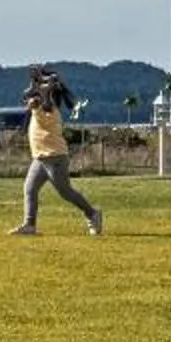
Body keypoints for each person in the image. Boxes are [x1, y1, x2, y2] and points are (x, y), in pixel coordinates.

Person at [10, 66, 103, 237]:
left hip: (55, 157)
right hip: (40, 158)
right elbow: (27, 96)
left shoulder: (50, 108)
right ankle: (29, 225)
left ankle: (92, 214)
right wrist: (35, 84)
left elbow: (43, 106)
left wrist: (43, 93)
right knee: (29, 189)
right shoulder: (38, 105)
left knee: (65, 192)